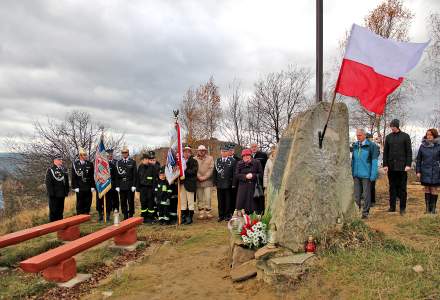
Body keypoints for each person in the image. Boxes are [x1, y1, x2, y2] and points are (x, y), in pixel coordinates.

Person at [383, 119, 412, 215]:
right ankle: (392, 207)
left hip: (402, 167)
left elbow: (409, 151)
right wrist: (385, 164)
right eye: (391, 126)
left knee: (402, 188)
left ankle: (402, 208)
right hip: (391, 167)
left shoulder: (405, 136)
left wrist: (408, 164)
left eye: (393, 126)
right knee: (392, 187)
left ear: (397, 126)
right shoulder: (388, 137)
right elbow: (385, 152)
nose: (392, 128)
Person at [351, 129, 379, 219]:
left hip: (366, 174)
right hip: (356, 174)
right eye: (357, 135)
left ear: (364, 135)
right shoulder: (355, 145)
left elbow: (374, 161)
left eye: (359, 135)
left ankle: (365, 213)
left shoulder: (371, 146)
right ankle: (356, 212)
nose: (357, 137)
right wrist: (352, 172)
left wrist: (373, 174)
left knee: (366, 195)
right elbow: (353, 160)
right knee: (356, 195)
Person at [416, 128, 440, 214]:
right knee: (426, 188)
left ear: (434, 135)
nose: (428, 136)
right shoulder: (422, 146)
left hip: (436, 171)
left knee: (434, 189)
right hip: (425, 170)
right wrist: (418, 171)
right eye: (427, 134)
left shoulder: (438, 145)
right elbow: (418, 159)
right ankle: (427, 209)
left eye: (430, 135)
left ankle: (433, 210)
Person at [235, 148, 263, 214]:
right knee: (242, 204)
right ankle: (243, 218)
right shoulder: (239, 163)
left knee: (253, 205)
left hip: (254, 187)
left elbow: (261, 174)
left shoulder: (257, 162)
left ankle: (254, 218)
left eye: (247, 155)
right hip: (243, 187)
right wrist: (245, 176)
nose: (246, 157)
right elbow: (236, 175)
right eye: (244, 156)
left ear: (250, 156)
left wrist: (253, 175)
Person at [213, 144, 236, 222]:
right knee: (220, 201)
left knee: (228, 201)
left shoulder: (232, 161)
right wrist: (214, 182)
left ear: (228, 152)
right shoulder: (217, 161)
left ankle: (227, 215)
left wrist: (233, 183)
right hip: (219, 184)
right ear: (220, 152)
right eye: (222, 151)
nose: (224, 153)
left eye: (225, 151)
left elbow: (234, 173)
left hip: (228, 184)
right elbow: (214, 172)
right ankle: (221, 215)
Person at [137, 151, 160, 223]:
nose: (145, 160)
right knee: (143, 202)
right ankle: (144, 216)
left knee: (150, 203)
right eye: (144, 159)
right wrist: (137, 190)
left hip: (150, 188)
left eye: (147, 159)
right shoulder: (140, 167)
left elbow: (154, 179)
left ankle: (150, 217)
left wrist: (154, 189)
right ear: (142, 160)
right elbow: (138, 178)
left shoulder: (152, 167)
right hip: (142, 188)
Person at [45, 154, 69, 221]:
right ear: (55, 161)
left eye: (61, 159)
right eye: (59, 159)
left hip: (62, 193)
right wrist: (51, 194)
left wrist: (66, 191)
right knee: (53, 210)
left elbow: (66, 181)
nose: (61, 160)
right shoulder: (50, 170)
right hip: (54, 194)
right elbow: (48, 183)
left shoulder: (64, 169)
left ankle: (60, 223)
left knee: (60, 210)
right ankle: (53, 225)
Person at [115, 146, 137, 220]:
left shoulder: (132, 162)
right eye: (123, 153)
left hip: (130, 185)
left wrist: (134, 185)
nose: (124, 154)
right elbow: (117, 176)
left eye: (125, 152)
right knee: (123, 201)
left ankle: (130, 215)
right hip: (121, 185)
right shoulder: (118, 162)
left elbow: (135, 175)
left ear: (128, 153)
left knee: (130, 201)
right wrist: (117, 186)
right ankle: (125, 215)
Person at [71, 147, 95, 215]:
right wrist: (75, 187)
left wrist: (93, 186)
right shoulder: (75, 164)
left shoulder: (90, 164)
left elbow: (91, 176)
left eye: (86, 155)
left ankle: (86, 214)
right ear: (80, 156)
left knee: (88, 201)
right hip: (79, 186)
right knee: (80, 201)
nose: (85, 156)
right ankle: (79, 215)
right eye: (84, 155)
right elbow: (73, 176)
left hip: (88, 185)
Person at [180, 144, 198, 225]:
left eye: (188, 152)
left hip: (190, 184)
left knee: (190, 201)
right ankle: (183, 216)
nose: (186, 153)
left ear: (190, 153)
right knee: (183, 201)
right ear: (182, 153)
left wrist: (184, 171)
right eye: (185, 152)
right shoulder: (180, 161)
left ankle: (190, 217)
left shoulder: (194, 161)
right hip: (181, 184)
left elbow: (194, 171)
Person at [195, 145, 214, 220]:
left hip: (208, 181)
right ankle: (201, 213)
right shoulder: (194, 159)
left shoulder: (210, 158)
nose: (202, 151)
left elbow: (211, 169)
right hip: (198, 180)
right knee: (200, 198)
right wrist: (199, 177)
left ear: (205, 151)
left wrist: (205, 177)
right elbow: (194, 169)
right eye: (200, 150)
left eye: (203, 150)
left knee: (208, 197)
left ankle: (208, 212)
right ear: (198, 151)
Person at [250, 143, 267, 213]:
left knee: (260, 195)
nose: (254, 148)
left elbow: (266, 167)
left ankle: (261, 211)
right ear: (250, 148)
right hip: (251, 179)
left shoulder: (263, 155)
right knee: (252, 195)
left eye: (255, 147)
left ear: (258, 147)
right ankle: (253, 211)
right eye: (252, 147)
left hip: (260, 179)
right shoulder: (249, 155)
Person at [366, 133, 380, 207]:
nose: (368, 140)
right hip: (365, 169)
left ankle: (372, 201)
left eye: (369, 138)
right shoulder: (363, 146)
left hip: (372, 168)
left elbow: (376, 155)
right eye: (367, 138)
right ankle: (367, 200)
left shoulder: (375, 147)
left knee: (371, 186)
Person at [228, 143, 240, 216]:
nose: (230, 151)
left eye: (231, 150)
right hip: (226, 182)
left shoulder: (238, 159)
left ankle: (234, 212)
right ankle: (228, 212)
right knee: (227, 198)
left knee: (234, 197)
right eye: (229, 150)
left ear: (233, 151)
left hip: (235, 182)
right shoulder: (225, 159)